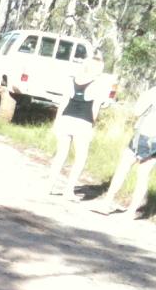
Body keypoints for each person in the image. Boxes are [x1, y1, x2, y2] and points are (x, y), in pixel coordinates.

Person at [47, 54, 108, 199]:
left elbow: (63, 102)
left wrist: (57, 121)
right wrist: (92, 124)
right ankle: (68, 190)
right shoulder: (98, 85)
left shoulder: (72, 80)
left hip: (66, 118)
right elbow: (95, 109)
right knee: (80, 158)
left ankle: (49, 186)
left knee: (61, 154)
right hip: (83, 122)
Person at [91, 84, 156, 218]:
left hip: (144, 134)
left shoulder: (153, 91)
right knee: (143, 175)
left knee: (123, 167)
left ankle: (107, 202)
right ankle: (131, 211)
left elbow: (138, 111)